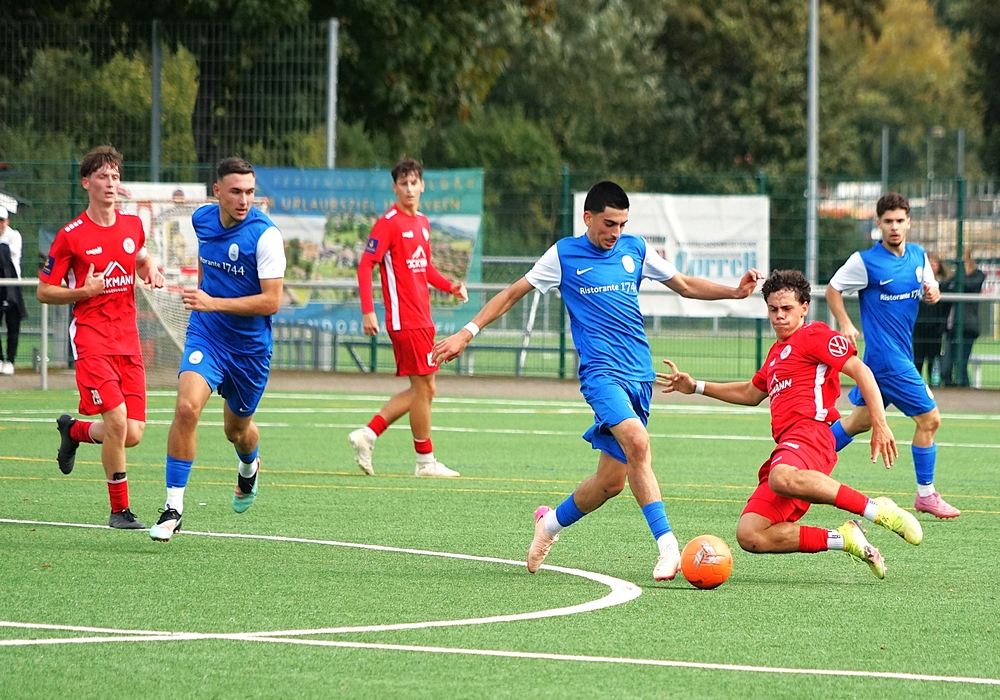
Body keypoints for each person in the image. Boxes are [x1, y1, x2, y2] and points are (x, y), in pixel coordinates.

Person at [432, 181, 762, 581]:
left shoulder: (635, 249)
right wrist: (467, 332)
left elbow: (685, 285)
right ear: (587, 218)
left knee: (610, 482)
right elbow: (512, 294)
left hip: (639, 375)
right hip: (601, 374)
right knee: (638, 442)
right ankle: (668, 547)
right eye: (609, 224)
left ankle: (549, 524)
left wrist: (735, 293)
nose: (616, 233)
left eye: (622, 224)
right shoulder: (563, 255)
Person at [657, 270, 921, 580]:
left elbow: (861, 371)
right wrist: (697, 387)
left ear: (804, 308)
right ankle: (845, 539)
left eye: (787, 308)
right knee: (751, 534)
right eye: (773, 309)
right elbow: (751, 393)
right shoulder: (774, 355)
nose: (779, 316)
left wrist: (880, 423)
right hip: (789, 445)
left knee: (781, 476)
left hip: (812, 434)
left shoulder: (815, 335)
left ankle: (877, 510)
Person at [149, 157, 286, 542]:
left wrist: (213, 301)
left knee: (236, 431)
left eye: (250, 192)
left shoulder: (265, 236)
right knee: (186, 407)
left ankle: (249, 468)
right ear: (217, 192)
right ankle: (173, 508)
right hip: (207, 335)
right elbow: (207, 264)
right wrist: (205, 299)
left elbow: (272, 301)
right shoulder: (202, 220)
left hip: (249, 350)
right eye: (236, 192)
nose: (244, 200)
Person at [37, 145, 165, 529]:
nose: (110, 183)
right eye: (102, 176)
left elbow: (139, 256)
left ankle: (74, 430)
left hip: (128, 338)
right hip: (92, 338)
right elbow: (44, 291)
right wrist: (83, 292)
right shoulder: (70, 236)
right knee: (118, 421)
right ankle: (120, 510)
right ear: (86, 182)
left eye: (115, 176)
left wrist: (150, 269)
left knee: (132, 433)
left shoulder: (132, 226)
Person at [825, 192, 959, 520]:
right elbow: (832, 288)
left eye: (900, 220)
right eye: (888, 221)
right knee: (930, 420)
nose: (894, 227)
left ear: (909, 222)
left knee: (858, 422)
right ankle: (926, 495)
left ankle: (799, 461)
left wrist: (933, 293)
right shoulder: (865, 261)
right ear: (878, 224)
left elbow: (930, 289)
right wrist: (845, 323)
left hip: (897, 355)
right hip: (887, 360)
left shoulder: (917, 255)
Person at [348, 158, 468, 478]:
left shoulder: (423, 223)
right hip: (405, 320)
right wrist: (368, 310)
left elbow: (424, 267)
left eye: (414, 182)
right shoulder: (388, 223)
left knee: (424, 389)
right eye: (404, 183)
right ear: (395, 188)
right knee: (425, 388)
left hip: (422, 318)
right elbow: (365, 265)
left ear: (422, 185)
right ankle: (424, 462)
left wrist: (450, 286)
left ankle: (369, 435)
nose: (410, 189)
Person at [940, 249, 985, 387]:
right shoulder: (954, 278)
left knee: (961, 364)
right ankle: (950, 388)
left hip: (967, 327)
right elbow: (946, 287)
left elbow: (967, 285)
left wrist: (960, 275)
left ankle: (965, 390)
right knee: (945, 367)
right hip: (952, 327)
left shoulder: (977, 275)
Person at [911, 253, 949, 385]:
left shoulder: (944, 285)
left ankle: (934, 383)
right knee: (918, 357)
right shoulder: (916, 284)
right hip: (919, 326)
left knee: (933, 357)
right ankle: (916, 384)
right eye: (930, 264)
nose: (932, 266)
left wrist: (941, 325)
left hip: (935, 328)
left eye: (934, 263)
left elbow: (945, 309)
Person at [0, 206, 27, 375]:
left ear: (7, 221)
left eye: (1, 221)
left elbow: (9, 253)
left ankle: (10, 360)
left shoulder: (14, 236)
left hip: (11, 287)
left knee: (13, 324)